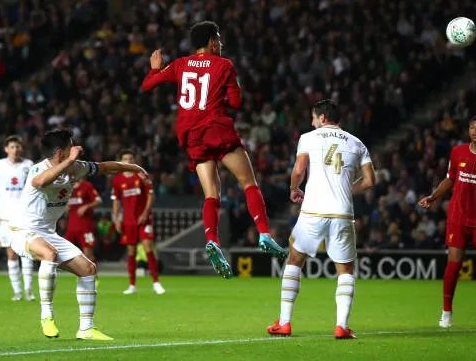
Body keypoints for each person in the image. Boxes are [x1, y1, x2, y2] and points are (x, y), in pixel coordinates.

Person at [141, 21, 286, 279]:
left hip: (192, 136)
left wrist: (155, 70)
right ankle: (264, 233)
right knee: (248, 181)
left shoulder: (179, 64)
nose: (221, 43)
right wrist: (235, 83)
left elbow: (147, 86)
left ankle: (212, 241)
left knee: (211, 194)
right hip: (216, 128)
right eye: (218, 38)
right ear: (210, 41)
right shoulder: (224, 65)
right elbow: (237, 102)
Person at [9, 129, 150, 340]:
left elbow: (104, 167)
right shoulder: (37, 169)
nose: (76, 148)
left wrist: (132, 167)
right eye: (71, 145)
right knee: (50, 254)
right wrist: (71, 161)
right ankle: (46, 315)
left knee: (88, 269)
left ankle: (86, 328)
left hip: (47, 233)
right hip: (23, 231)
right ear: (60, 152)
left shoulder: (76, 167)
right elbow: (41, 182)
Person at [266, 99, 375, 339]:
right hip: (342, 213)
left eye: (314, 117)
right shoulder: (357, 143)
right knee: (345, 269)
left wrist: (294, 188)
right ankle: (341, 326)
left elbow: (299, 169)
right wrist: (347, 191)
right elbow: (369, 180)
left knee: (294, 260)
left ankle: (284, 322)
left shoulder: (308, 138)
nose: (312, 121)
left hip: (313, 210)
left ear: (322, 118)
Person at [419, 115, 476, 330]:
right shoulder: (458, 152)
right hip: (458, 217)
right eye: (472, 127)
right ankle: (446, 314)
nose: (475, 131)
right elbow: (450, 179)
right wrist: (433, 197)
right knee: (454, 263)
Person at [0, 135, 35, 301]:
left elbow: (37, 188)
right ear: (6, 149)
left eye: (18, 147)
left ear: (22, 148)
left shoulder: (29, 165)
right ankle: (17, 292)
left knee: (27, 253)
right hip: (5, 217)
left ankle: (29, 290)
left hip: (25, 217)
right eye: (12, 147)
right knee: (12, 254)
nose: (15, 150)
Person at [111, 149, 165, 295]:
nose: (128, 161)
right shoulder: (117, 180)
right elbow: (116, 201)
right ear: (120, 161)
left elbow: (150, 195)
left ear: (134, 161)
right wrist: (116, 219)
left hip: (144, 219)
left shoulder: (141, 175)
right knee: (131, 251)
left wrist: (145, 213)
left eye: (130, 158)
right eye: (125, 158)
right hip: (128, 220)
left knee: (148, 247)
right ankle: (132, 285)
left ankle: (156, 282)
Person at [65, 179, 102, 263]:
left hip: (86, 227)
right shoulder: (67, 187)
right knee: (64, 252)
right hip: (71, 227)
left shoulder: (87, 186)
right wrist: (65, 207)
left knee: (88, 254)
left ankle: (92, 274)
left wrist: (86, 206)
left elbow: (98, 201)